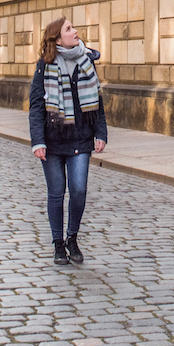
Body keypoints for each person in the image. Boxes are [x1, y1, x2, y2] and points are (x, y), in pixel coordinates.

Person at [28, 17, 107, 266]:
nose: (75, 32)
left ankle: (72, 237)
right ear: (58, 38)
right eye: (69, 29)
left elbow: (97, 99)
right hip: (52, 141)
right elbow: (37, 105)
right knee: (56, 193)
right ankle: (58, 244)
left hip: (81, 138)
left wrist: (101, 133)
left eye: (73, 27)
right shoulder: (45, 65)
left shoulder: (87, 60)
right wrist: (37, 141)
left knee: (79, 190)